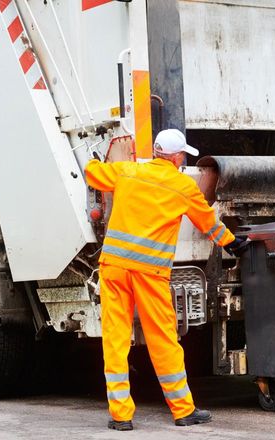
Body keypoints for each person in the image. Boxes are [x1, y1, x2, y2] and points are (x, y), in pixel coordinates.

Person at [85, 129, 246, 431]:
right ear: (175, 157)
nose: (183, 159)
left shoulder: (128, 171)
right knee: (163, 340)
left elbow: (93, 174)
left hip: (114, 269)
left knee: (116, 340)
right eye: (183, 155)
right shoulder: (182, 186)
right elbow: (208, 223)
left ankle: (121, 416)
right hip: (150, 274)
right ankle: (183, 410)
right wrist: (233, 243)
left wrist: (93, 159)